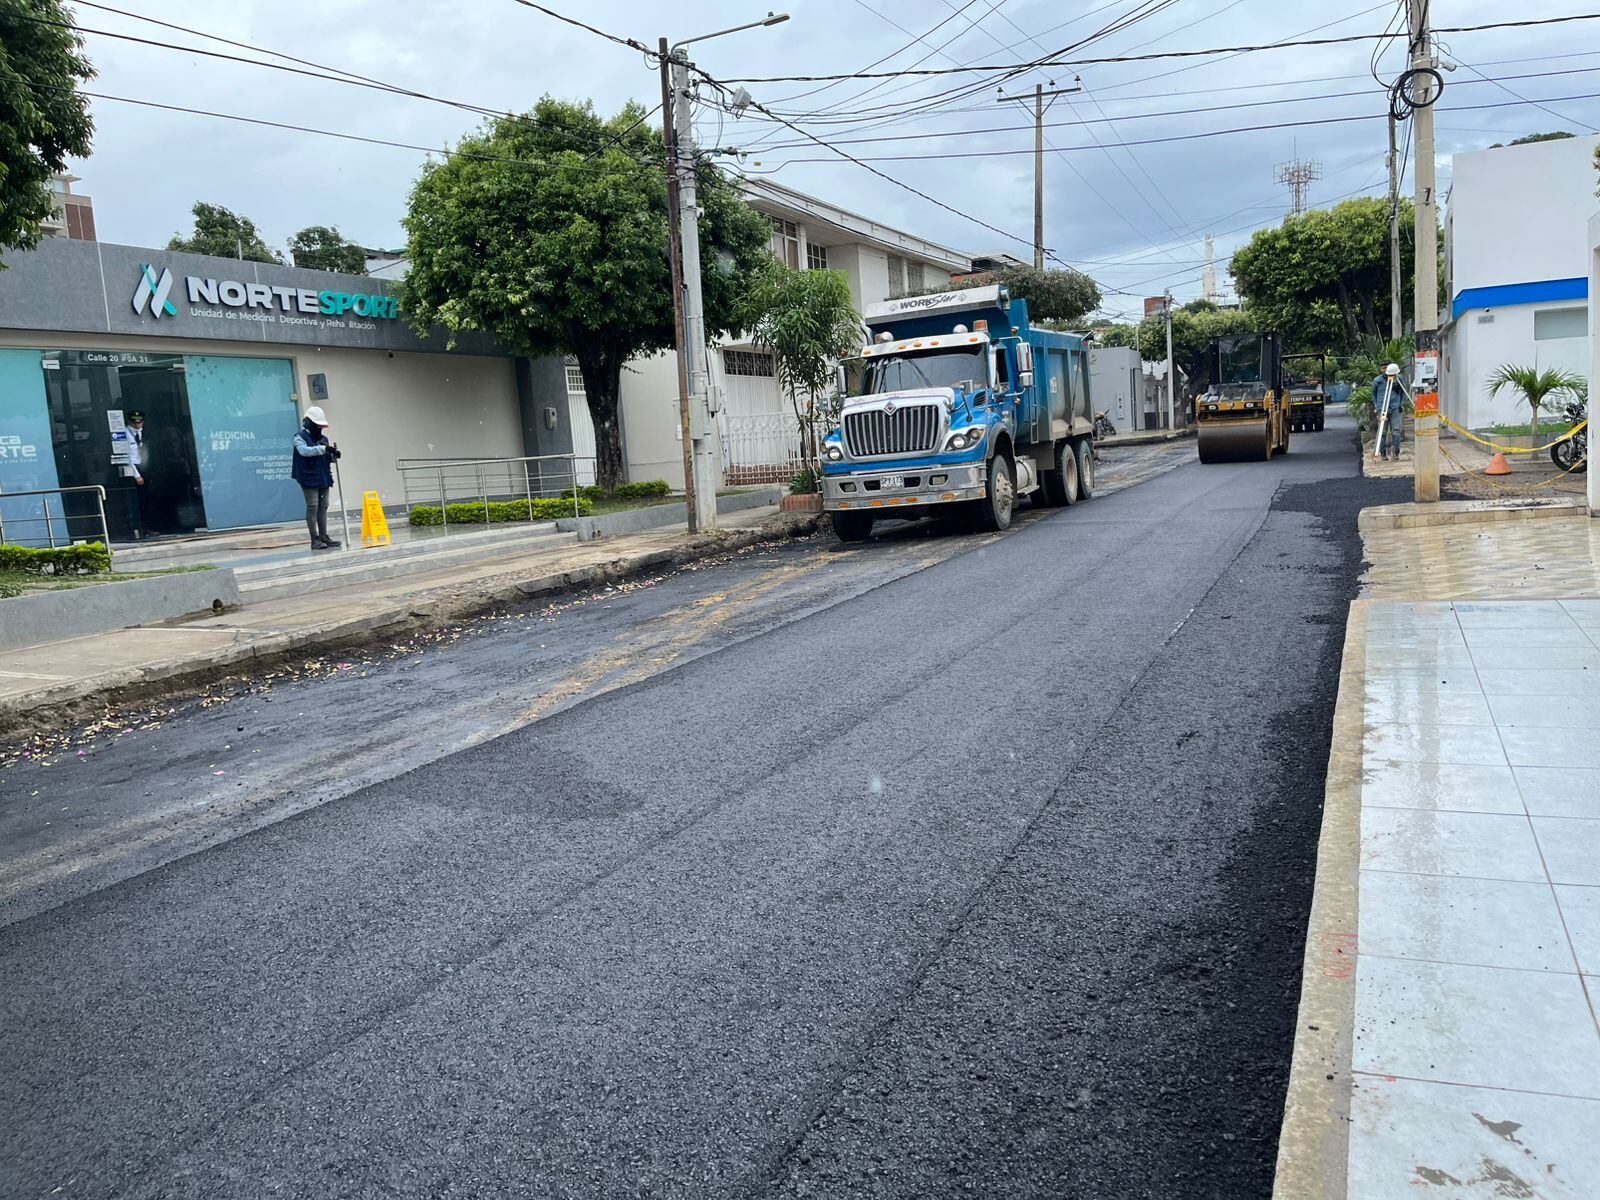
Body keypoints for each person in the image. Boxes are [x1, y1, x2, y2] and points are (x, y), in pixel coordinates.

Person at [291, 406, 342, 550]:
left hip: (323, 476)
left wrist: (333, 455)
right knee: (313, 506)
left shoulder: (324, 439)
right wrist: (323, 449)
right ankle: (314, 539)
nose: (319, 429)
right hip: (308, 476)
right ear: (308, 423)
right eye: (317, 425)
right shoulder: (299, 437)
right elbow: (304, 451)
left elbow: (323, 457)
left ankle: (324, 536)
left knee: (324, 505)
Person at [120, 410, 148, 538]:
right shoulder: (125, 434)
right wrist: (136, 475)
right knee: (136, 501)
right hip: (133, 470)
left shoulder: (143, 433)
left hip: (144, 467)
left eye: (140, 422)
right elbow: (126, 457)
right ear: (130, 422)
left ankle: (147, 527)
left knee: (146, 500)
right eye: (135, 423)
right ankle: (138, 529)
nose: (138, 425)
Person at [1372, 362, 1408, 460]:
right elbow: (1374, 394)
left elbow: (1403, 391)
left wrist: (1400, 403)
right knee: (1382, 431)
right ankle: (1382, 452)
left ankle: (1396, 452)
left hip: (1395, 407)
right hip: (1382, 408)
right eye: (1383, 368)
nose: (1385, 370)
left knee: (1396, 430)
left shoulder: (1398, 378)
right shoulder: (1377, 380)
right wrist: (1377, 406)